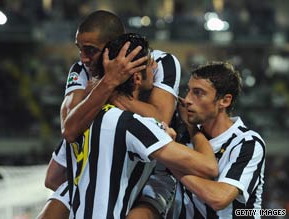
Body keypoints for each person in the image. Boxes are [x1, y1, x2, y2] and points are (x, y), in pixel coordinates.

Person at [65, 32, 218, 219]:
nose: (154, 66)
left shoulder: (85, 119)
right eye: (150, 63)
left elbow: (53, 177)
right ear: (137, 78)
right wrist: (193, 129)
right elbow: (208, 167)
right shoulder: (131, 124)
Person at [37, 10, 148, 219]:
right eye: (80, 49)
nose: (83, 58)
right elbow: (69, 128)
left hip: (134, 160)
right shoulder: (80, 70)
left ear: (114, 47)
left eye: (90, 50)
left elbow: (160, 114)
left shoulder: (150, 64)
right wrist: (110, 82)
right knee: (52, 178)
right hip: (88, 144)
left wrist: (101, 91)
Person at [168, 62, 266, 219]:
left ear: (225, 101)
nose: (187, 100)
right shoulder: (183, 136)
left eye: (198, 93)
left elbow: (219, 198)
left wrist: (172, 163)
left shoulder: (247, 142)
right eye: (189, 91)